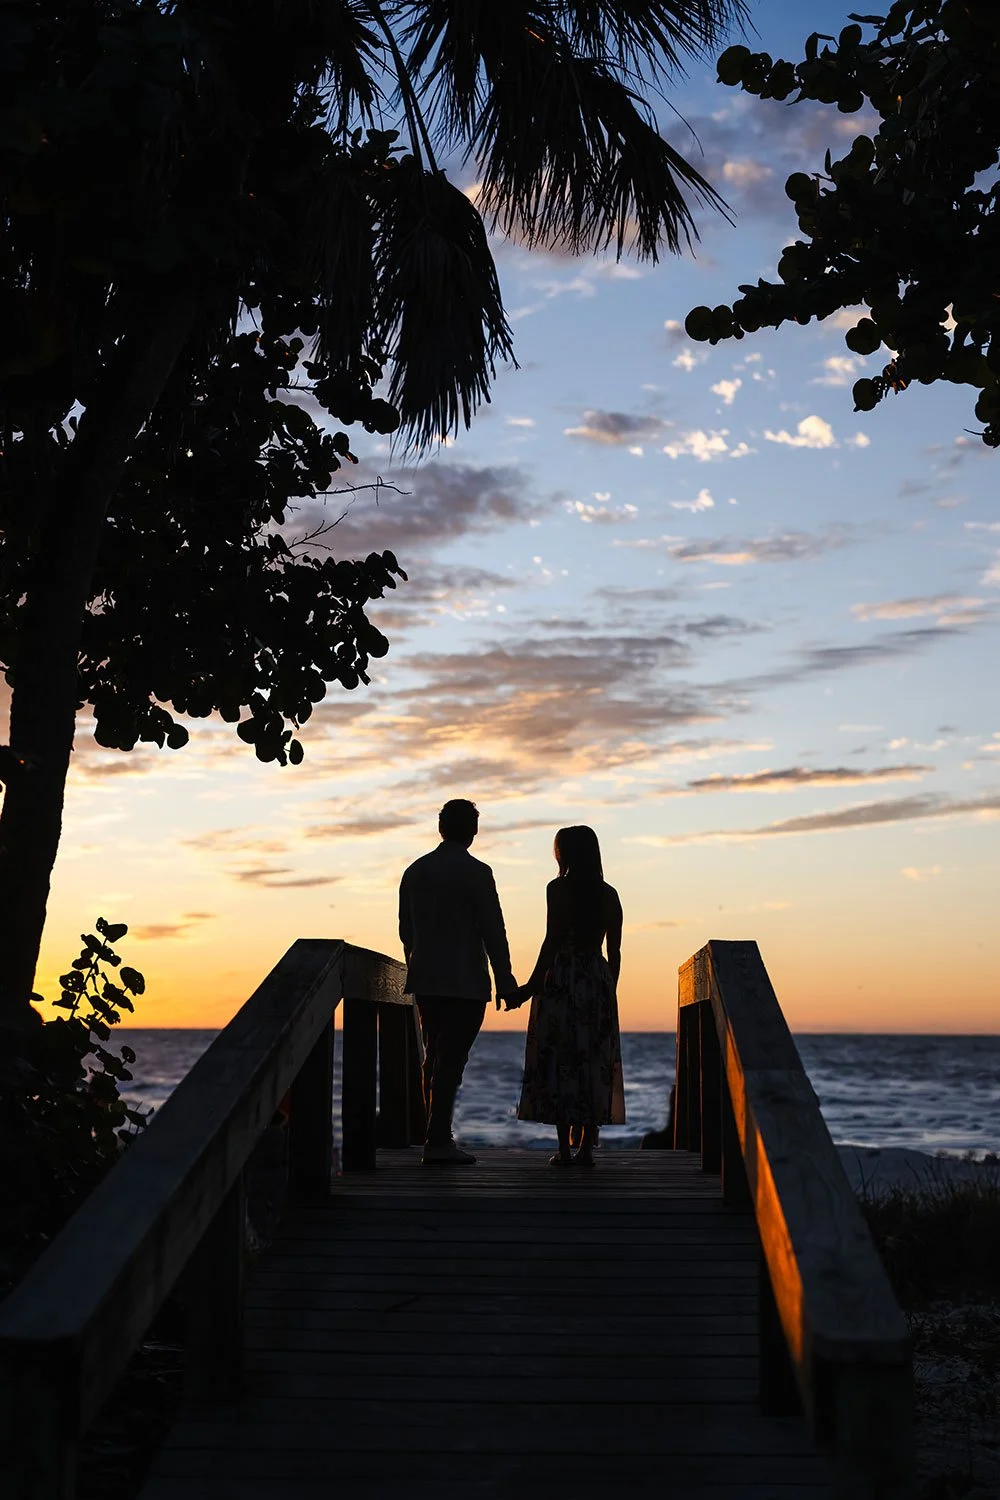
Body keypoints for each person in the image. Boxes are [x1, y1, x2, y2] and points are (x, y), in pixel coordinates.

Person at [399, 799, 518, 1164]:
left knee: (432, 1056)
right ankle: (438, 1141)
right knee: (451, 1060)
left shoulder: (415, 871)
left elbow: (406, 930)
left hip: (427, 977)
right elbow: (492, 929)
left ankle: (434, 1136)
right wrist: (505, 977)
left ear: (441, 828)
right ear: (473, 830)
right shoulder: (478, 872)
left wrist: (414, 963)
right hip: (465, 979)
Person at [508, 825, 625, 1166]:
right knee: (592, 1059)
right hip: (596, 978)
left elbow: (553, 940)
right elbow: (615, 951)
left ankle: (562, 1148)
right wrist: (609, 989)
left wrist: (531, 986)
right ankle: (587, 1147)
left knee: (559, 1057)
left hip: (562, 976)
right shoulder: (609, 894)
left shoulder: (557, 889)